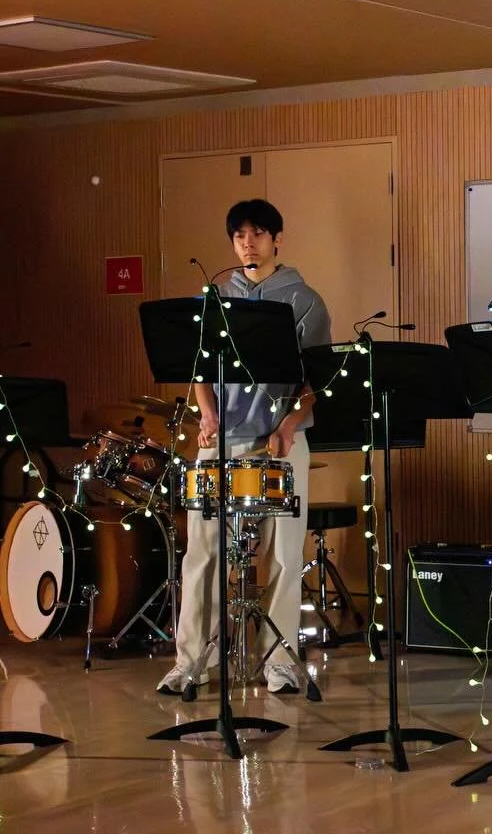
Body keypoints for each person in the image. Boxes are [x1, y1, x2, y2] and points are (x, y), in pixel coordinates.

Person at [157, 199, 331, 695]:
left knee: (283, 554)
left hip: (280, 441)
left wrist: (290, 425)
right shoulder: (215, 297)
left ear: (277, 239)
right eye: (239, 236)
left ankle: (279, 662)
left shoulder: (304, 300)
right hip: (222, 440)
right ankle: (192, 660)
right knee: (203, 553)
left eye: (257, 234)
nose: (248, 243)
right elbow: (197, 369)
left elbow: (316, 380)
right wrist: (207, 414)